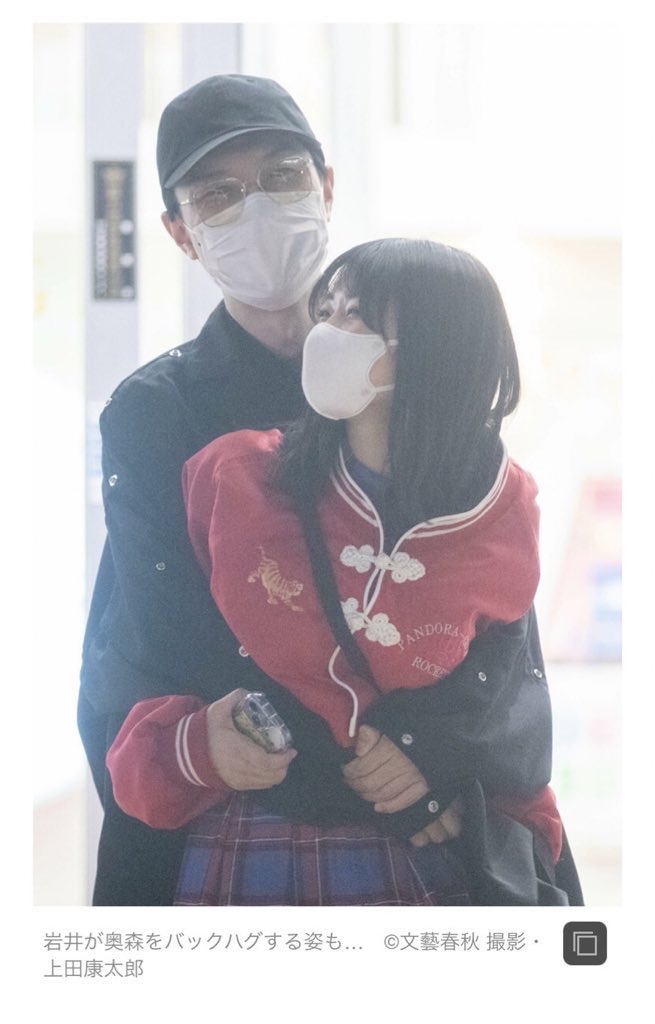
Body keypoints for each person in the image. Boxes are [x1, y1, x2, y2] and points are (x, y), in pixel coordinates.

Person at [79, 73, 581, 907]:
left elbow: (493, 632)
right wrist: (331, 764)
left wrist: (431, 757)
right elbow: (165, 631)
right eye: (217, 195)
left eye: (281, 176)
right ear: (179, 232)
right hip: (253, 803)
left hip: (430, 802)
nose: (257, 209)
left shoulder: (419, 373)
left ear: (327, 187)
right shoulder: (159, 413)